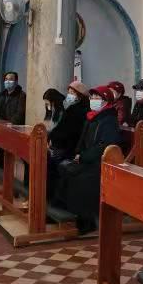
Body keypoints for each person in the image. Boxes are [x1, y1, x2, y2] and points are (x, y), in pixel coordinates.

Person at [54, 86, 122, 234]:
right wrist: (78, 153)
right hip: (87, 159)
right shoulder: (92, 116)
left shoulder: (109, 119)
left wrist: (84, 157)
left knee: (81, 178)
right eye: (91, 98)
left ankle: (86, 220)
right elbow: (82, 139)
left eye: (97, 98)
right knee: (63, 168)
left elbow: (105, 145)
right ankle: (64, 212)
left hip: (102, 162)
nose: (93, 100)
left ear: (106, 101)